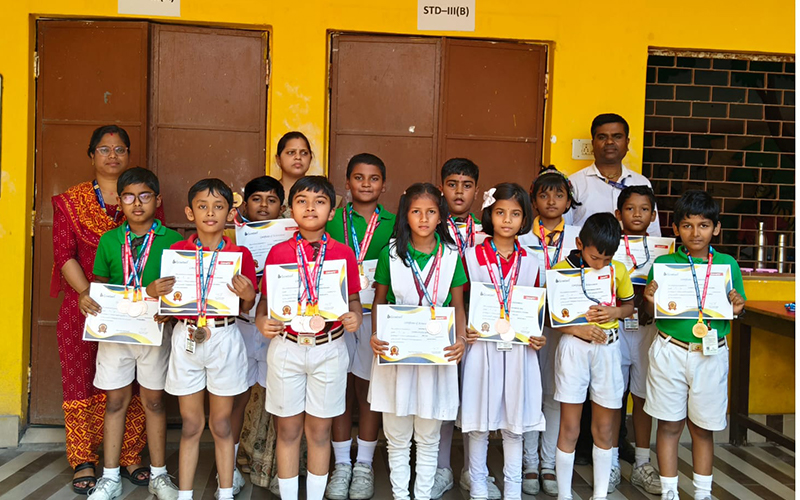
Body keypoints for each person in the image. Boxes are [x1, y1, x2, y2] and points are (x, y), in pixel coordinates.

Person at [51, 125, 160, 494]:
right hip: (86, 305)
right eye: (104, 149)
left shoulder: (141, 197)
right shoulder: (71, 201)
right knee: (81, 379)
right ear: (91, 155)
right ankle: (84, 458)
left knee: (133, 381)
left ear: (128, 154)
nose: (113, 155)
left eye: (120, 149)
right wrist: (86, 292)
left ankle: (130, 454)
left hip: (138, 308)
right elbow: (64, 254)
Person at [255, 176, 363, 500]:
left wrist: (355, 316)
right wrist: (261, 320)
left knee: (319, 431)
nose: (310, 207)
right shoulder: (278, 252)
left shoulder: (343, 253)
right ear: (290, 209)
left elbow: (353, 298)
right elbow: (265, 300)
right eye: (302, 201)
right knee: (287, 430)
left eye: (320, 201)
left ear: (332, 211)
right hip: (287, 348)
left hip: (329, 349)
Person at [80, 168, 182, 500]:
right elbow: (100, 285)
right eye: (129, 197)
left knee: (154, 401)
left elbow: (181, 291)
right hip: (116, 334)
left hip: (154, 332)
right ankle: (110, 477)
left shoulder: (173, 240)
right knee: (115, 401)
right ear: (118, 200)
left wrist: (168, 306)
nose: (137, 204)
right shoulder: (110, 240)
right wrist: (87, 298)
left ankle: (159, 475)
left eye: (144, 196)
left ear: (157, 200)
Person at [158, 179, 259, 500]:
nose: (210, 213)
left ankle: (225, 493)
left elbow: (247, 307)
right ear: (190, 213)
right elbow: (168, 303)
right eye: (202, 206)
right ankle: (185, 495)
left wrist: (248, 294)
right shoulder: (177, 252)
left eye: (218, 207)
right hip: (187, 335)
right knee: (190, 425)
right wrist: (157, 294)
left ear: (230, 214)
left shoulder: (239, 253)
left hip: (224, 336)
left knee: (221, 424)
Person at [643, 190, 746, 500]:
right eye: (687, 225)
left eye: (703, 225)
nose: (695, 233)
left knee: (702, 428)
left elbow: (737, 308)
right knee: (669, 424)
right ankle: (669, 491)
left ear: (716, 228)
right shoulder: (664, 264)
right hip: (670, 349)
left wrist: (737, 307)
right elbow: (651, 312)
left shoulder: (727, 264)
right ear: (676, 229)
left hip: (710, 353)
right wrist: (649, 300)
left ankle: (702, 493)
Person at [369, 183, 468, 500]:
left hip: (436, 356)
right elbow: (379, 302)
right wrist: (375, 334)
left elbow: (458, 306)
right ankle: (401, 495)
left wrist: (461, 339)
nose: (423, 218)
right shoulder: (391, 254)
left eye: (430, 212)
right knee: (397, 436)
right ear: (405, 215)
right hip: (396, 354)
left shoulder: (451, 256)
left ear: (441, 216)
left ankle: (423, 495)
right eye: (416, 211)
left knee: (428, 436)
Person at [461, 183, 546, 500]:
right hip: (482, 348)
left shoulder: (532, 261)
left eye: (515, 214)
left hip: (519, 351)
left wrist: (537, 334)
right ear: (489, 215)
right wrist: (464, 328)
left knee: (515, 423)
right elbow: (459, 302)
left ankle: (513, 489)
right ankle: (478, 486)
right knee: (479, 422)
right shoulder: (471, 256)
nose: (507, 220)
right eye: (500, 212)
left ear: (525, 218)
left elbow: (535, 308)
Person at [325, 154, 396, 500]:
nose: (366, 184)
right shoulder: (332, 219)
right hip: (336, 315)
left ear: (384, 184)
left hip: (376, 317)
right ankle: (342, 464)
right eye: (358, 177)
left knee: (369, 391)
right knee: (339, 389)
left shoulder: (396, 222)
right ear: (347, 182)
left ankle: (364, 464)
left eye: (373, 178)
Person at [552, 213, 635, 500]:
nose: (600, 264)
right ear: (579, 244)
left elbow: (629, 307)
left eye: (606, 259)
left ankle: (600, 495)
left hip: (608, 350)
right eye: (594, 257)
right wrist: (578, 329)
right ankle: (564, 495)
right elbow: (551, 318)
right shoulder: (562, 270)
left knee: (605, 426)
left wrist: (615, 312)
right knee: (570, 426)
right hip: (574, 348)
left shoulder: (618, 270)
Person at [436, 158, 499, 500]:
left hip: (482, 327)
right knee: (444, 398)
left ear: (477, 189)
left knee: (477, 398)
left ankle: (474, 472)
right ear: (441, 187)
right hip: (441, 323)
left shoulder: (487, 232)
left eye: (467, 185)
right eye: (452, 184)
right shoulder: (431, 227)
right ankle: (441, 468)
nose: (459, 192)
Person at [518, 167, 581, 497]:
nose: (552, 201)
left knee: (556, 394)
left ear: (569, 201)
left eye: (559, 195)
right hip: (530, 325)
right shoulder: (521, 239)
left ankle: (548, 464)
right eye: (544, 195)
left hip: (566, 328)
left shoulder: (579, 238)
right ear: (533, 201)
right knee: (531, 391)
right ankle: (529, 463)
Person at [224, 175, 285, 494]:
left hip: (279, 328)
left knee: (280, 401)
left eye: (271, 200)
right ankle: (229, 468)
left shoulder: (292, 241)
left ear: (282, 207)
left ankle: (280, 469)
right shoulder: (230, 241)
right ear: (244, 204)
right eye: (257, 199)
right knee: (237, 398)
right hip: (243, 326)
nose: (263, 205)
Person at [614, 185, 662, 495]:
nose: (637, 214)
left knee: (643, 396)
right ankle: (610, 461)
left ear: (653, 215)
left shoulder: (664, 251)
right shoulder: (610, 246)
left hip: (648, 330)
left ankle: (642, 463)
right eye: (630, 208)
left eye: (644, 209)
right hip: (616, 329)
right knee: (611, 396)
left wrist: (650, 306)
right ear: (618, 214)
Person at [567, 113, 661, 237]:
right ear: (593, 143)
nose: (609, 142)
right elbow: (564, 232)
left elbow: (653, 235)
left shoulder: (641, 182)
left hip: (634, 250)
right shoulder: (574, 184)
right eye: (602, 137)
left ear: (627, 143)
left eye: (617, 137)